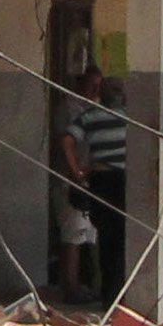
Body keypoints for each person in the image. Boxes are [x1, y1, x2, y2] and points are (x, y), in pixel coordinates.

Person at [62, 69, 132, 303]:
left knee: (106, 239)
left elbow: (68, 139)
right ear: (122, 96)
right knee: (123, 239)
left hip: (100, 181)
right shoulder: (130, 117)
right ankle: (119, 296)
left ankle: (109, 296)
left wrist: (77, 170)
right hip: (124, 182)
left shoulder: (90, 116)